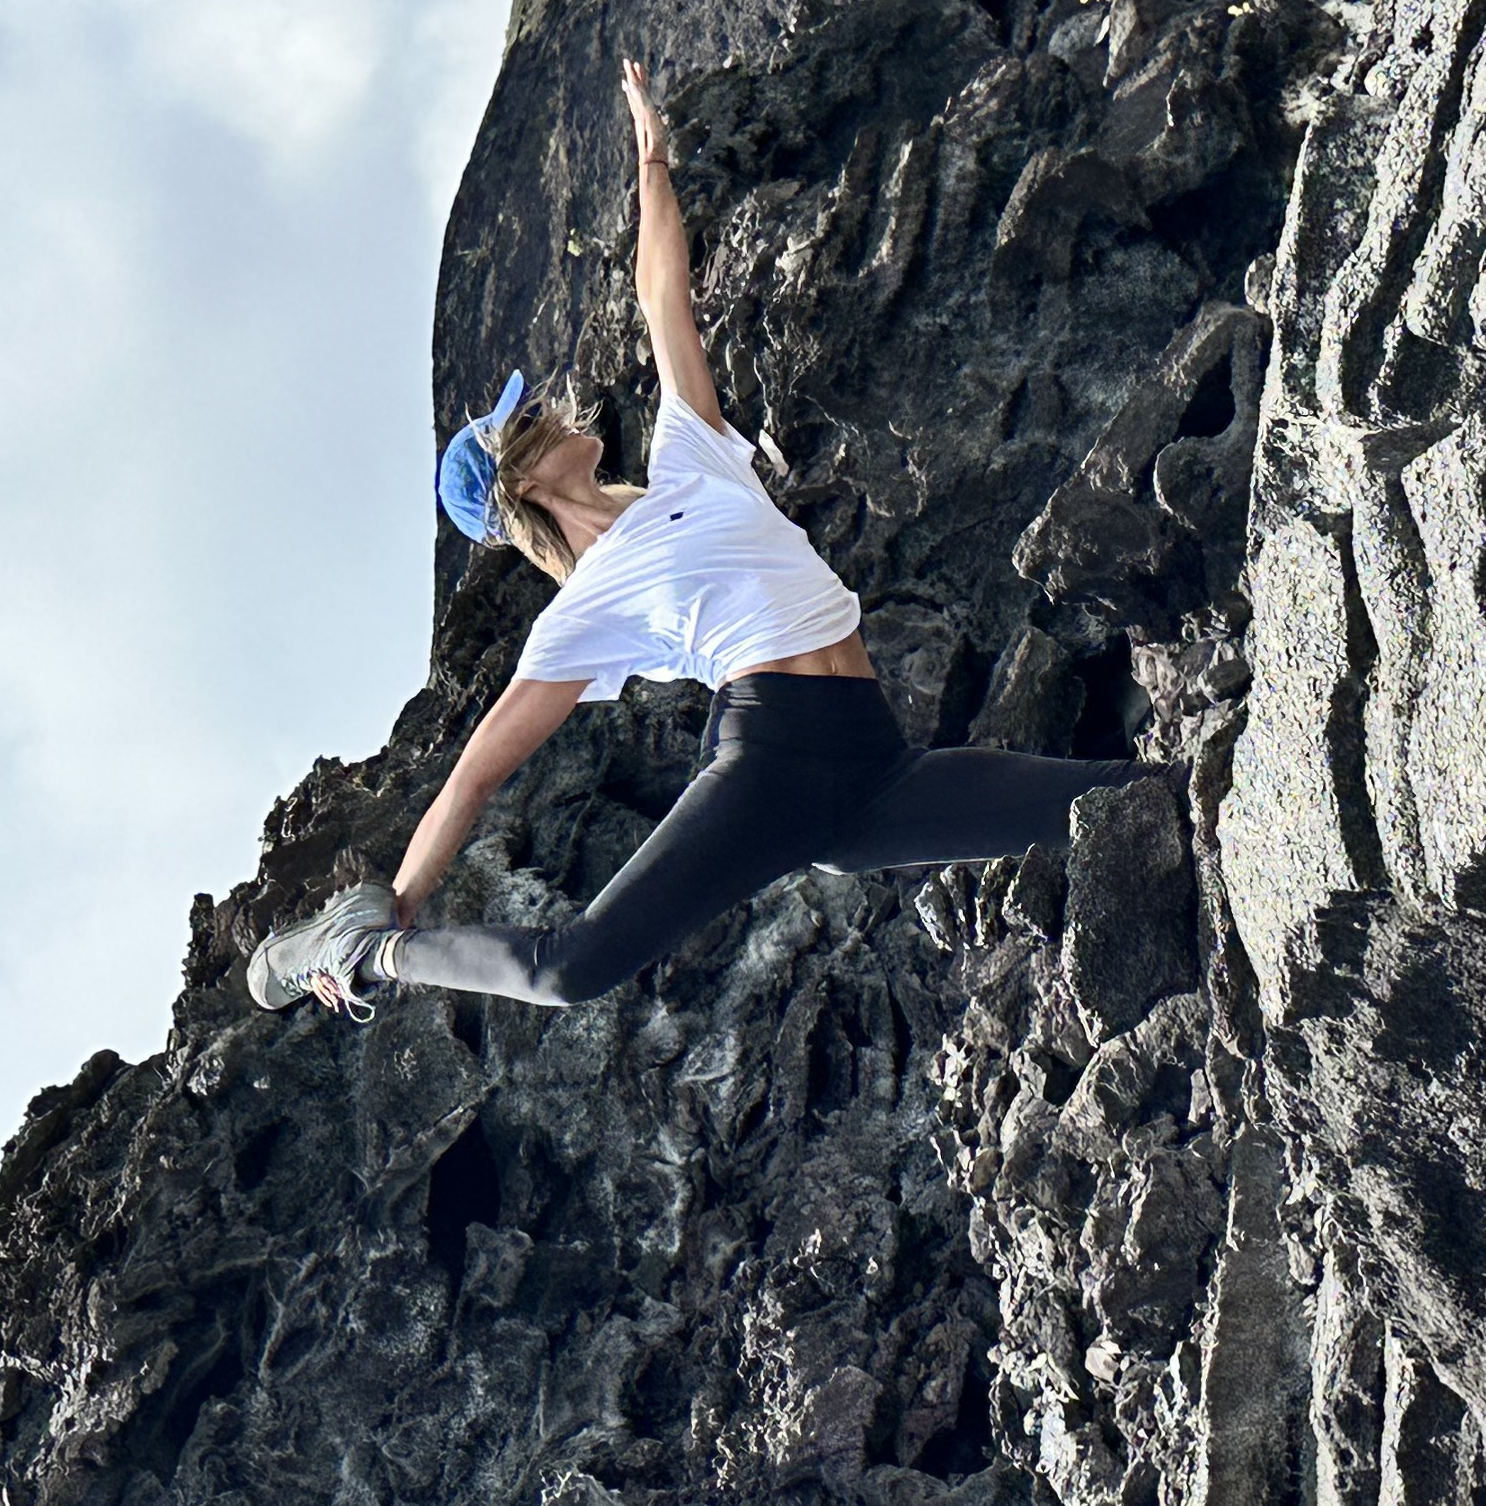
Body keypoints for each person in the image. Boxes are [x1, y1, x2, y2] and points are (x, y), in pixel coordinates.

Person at [250, 58, 1148, 1017]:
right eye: (529, 421)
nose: (552, 407)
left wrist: (653, 161)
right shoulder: (579, 616)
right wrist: (396, 903)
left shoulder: (690, 458)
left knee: (1131, 797)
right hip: (773, 756)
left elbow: (661, 296)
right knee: (568, 969)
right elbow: (474, 775)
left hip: (871, 767)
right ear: (518, 484)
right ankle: (373, 955)